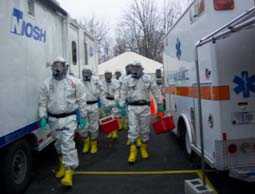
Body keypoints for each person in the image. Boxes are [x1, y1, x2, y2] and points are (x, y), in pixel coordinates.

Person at [38, 57, 87, 187]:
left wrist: (83, 117)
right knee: (58, 144)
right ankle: (62, 165)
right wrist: (42, 116)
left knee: (68, 144)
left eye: (60, 65)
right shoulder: (47, 83)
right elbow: (42, 102)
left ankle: (69, 172)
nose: (57, 68)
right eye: (55, 66)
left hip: (69, 118)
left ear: (66, 67)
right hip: (53, 119)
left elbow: (82, 100)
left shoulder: (74, 82)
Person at [121, 62, 162, 163]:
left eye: (137, 68)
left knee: (145, 130)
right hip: (132, 107)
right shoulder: (127, 79)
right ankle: (133, 151)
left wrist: (160, 104)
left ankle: (143, 148)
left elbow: (156, 91)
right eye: (133, 68)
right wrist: (121, 104)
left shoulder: (147, 78)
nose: (135, 70)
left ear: (141, 68)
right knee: (133, 129)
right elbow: (123, 92)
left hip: (144, 107)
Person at [79, 69, 101, 154]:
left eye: (88, 73)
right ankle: (86, 142)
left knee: (94, 125)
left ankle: (93, 143)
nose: (86, 74)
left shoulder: (96, 81)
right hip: (83, 106)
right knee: (82, 126)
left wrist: (103, 104)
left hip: (94, 105)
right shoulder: (79, 82)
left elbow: (101, 92)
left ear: (91, 73)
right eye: (84, 73)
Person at [101, 71, 119, 139]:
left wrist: (114, 97)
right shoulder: (101, 83)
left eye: (109, 74)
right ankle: (109, 131)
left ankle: (114, 132)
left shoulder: (115, 82)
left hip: (113, 102)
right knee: (107, 118)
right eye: (106, 74)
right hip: (105, 102)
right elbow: (101, 93)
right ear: (104, 75)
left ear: (112, 75)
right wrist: (104, 102)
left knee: (114, 117)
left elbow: (117, 92)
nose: (108, 76)